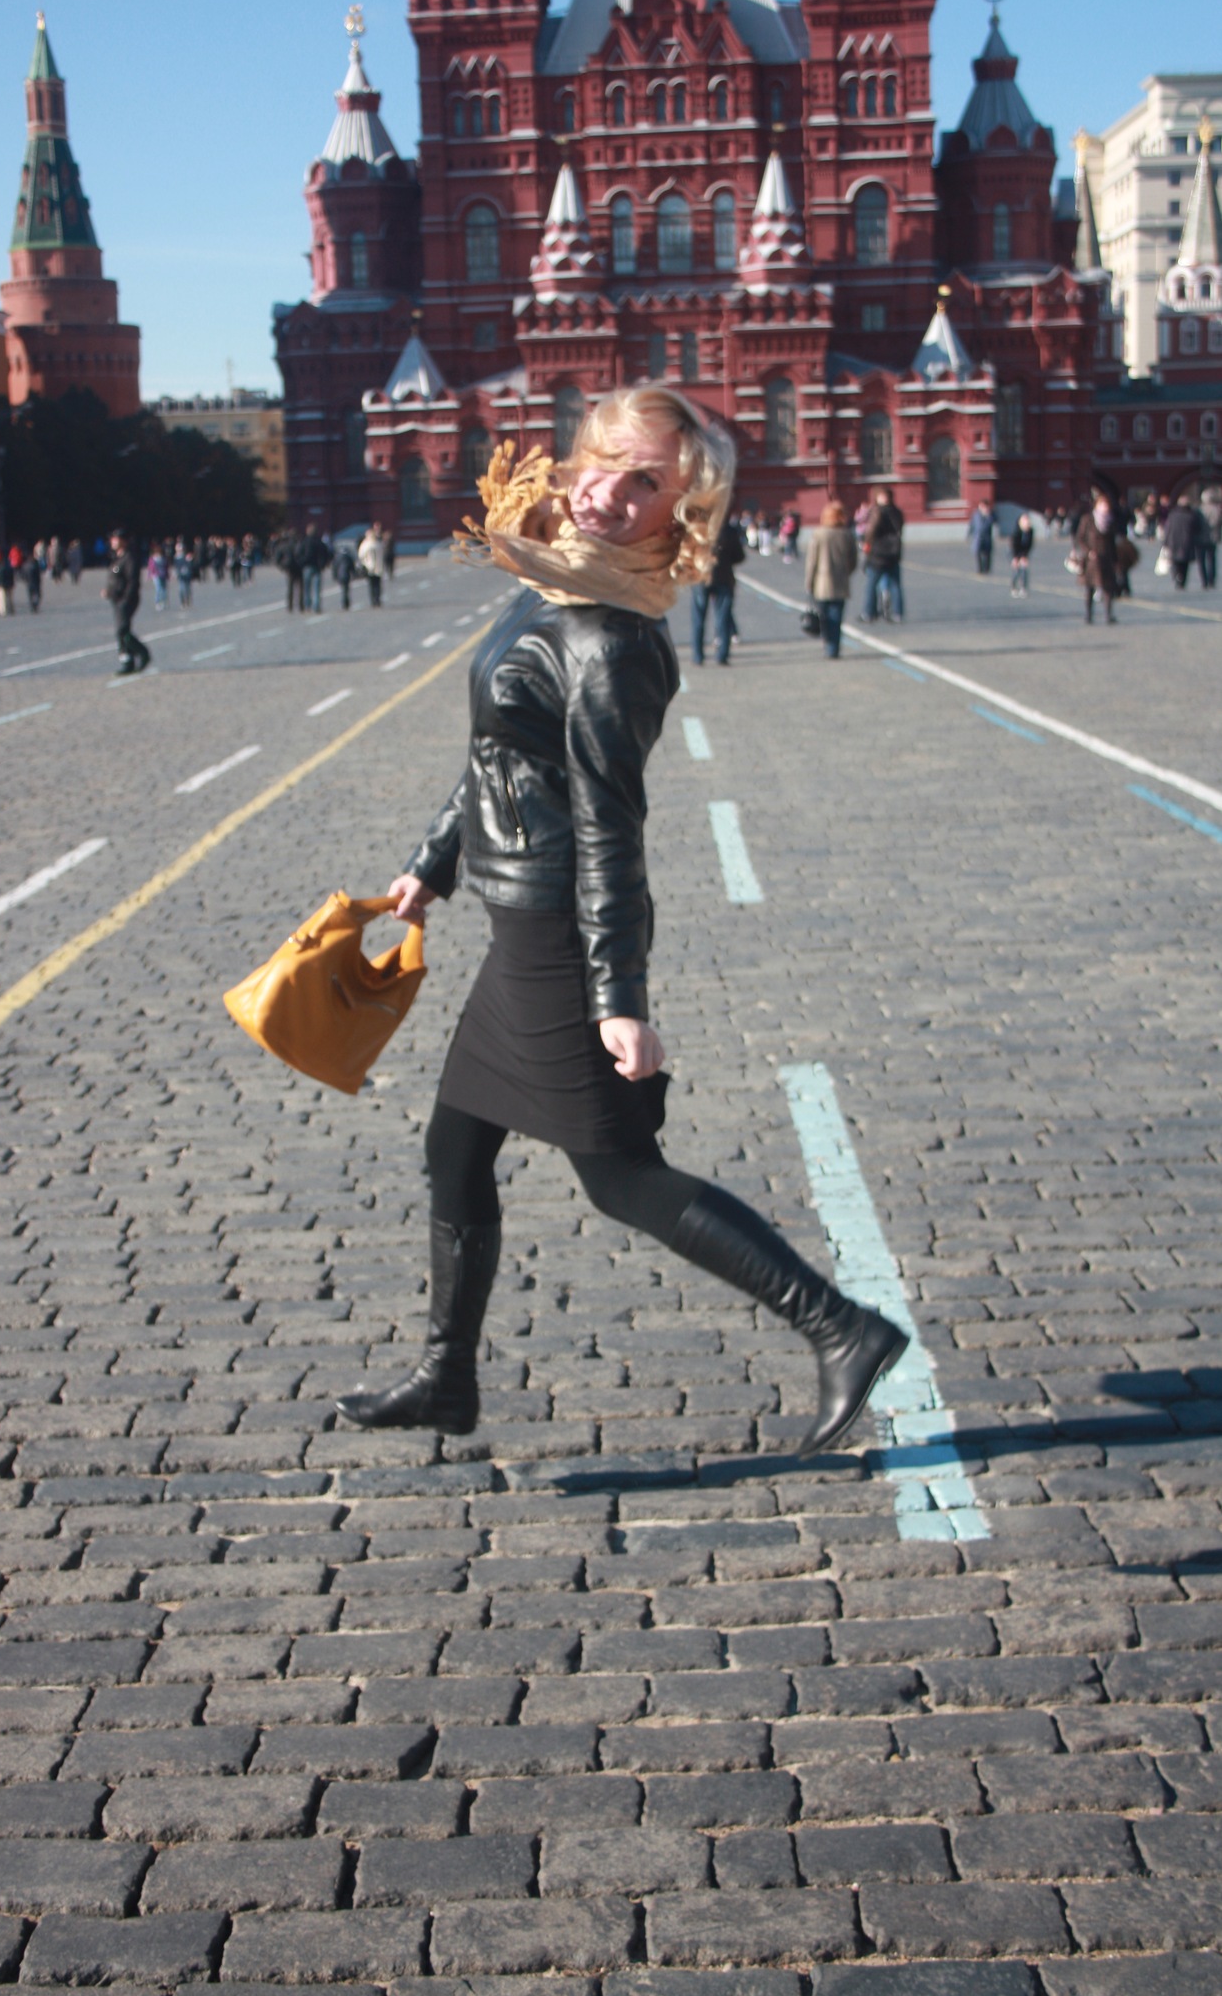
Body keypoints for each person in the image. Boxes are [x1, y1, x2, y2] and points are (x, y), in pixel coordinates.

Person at [330, 384, 908, 1459]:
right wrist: (430, 867)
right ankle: (447, 1375)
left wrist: (620, 998)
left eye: (647, 483)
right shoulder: (550, 583)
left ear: (677, 512)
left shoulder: (613, 640)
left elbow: (609, 825)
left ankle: (841, 1326)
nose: (610, 492)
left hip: (556, 930)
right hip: (514, 918)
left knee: (621, 1176)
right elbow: (497, 754)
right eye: (607, 462)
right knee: (455, 1147)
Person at [804, 500, 859, 658]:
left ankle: (827, 642)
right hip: (840, 581)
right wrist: (846, 572)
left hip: (821, 583)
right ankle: (834, 647)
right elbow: (853, 560)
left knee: (824, 617)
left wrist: (809, 582)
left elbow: (811, 561)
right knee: (837, 616)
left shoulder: (819, 534)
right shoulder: (847, 534)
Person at [689, 513, 746, 664]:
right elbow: (740, 556)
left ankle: (698, 655)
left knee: (698, 618)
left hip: (701, 578)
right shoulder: (728, 530)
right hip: (724, 577)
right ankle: (722, 654)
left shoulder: (697, 529)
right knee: (723, 617)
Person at [104, 529, 150, 675]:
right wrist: (109, 591)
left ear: (124, 541)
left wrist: (126, 598)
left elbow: (132, 581)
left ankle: (142, 652)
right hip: (116, 599)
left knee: (122, 630)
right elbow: (115, 579)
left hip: (126, 600)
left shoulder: (129, 558)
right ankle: (127, 661)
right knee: (122, 632)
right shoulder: (116, 558)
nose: (112, 542)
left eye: (116, 539)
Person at [862, 486, 905, 621]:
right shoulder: (897, 512)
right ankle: (898, 613)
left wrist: (865, 541)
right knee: (895, 585)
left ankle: (869, 612)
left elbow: (871, 531)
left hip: (878, 553)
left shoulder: (877, 512)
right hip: (893, 552)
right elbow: (900, 528)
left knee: (871, 584)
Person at [1075, 497, 1119, 624]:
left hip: (1106, 559)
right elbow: (1080, 538)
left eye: (1106, 505)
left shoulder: (1110, 521)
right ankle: (1088, 615)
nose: (1105, 508)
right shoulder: (1087, 520)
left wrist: (1116, 560)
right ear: (1097, 506)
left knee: (1108, 589)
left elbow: (1112, 542)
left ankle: (1108, 615)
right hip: (1091, 561)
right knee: (1090, 588)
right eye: (1102, 505)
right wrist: (1088, 551)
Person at [1162, 493, 1201, 590]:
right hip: (1187, 542)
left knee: (1175, 561)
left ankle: (1177, 577)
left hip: (1174, 541)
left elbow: (1168, 529)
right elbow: (1197, 529)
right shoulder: (1192, 515)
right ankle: (1182, 581)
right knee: (1185, 563)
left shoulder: (1173, 514)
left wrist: (1165, 542)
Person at [302, 523, 331, 615]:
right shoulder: (320, 543)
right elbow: (326, 554)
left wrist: (302, 562)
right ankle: (316, 606)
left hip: (307, 566)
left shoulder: (305, 542)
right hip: (318, 567)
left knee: (307, 588)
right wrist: (323, 564)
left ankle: (307, 605)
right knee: (317, 588)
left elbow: (299, 552)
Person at [358, 521, 386, 607]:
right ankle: (377, 599)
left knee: (371, 585)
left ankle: (373, 600)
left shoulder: (365, 544)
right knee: (377, 584)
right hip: (378, 566)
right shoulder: (378, 543)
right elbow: (383, 553)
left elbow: (361, 555)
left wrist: (364, 562)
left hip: (369, 566)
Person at [1199, 486, 1221, 591]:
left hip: (1201, 538)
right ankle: (1212, 580)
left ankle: (1204, 581)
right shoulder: (1216, 509)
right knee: (1211, 559)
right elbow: (1217, 522)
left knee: (1202, 560)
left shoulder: (1200, 509)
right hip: (1213, 537)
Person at [1009, 513, 1035, 598]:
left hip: (1023, 552)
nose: (1027, 522)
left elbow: (1030, 545)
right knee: (1016, 570)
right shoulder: (1016, 531)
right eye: (1024, 520)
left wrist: (1025, 556)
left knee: (1024, 569)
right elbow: (1013, 545)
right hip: (1014, 552)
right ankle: (1013, 587)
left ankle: (1023, 588)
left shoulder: (1030, 531)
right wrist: (1015, 558)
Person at [968, 502, 995, 575]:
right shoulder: (976, 514)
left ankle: (986, 569)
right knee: (978, 553)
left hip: (987, 537)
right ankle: (979, 568)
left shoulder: (990, 515)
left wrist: (988, 516)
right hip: (978, 537)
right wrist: (969, 534)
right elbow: (972, 524)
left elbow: (992, 522)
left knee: (987, 553)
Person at [332, 541, 355, 610]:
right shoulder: (348, 557)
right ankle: (346, 602)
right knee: (346, 589)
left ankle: (344, 602)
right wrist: (354, 574)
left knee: (343, 589)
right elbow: (352, 567)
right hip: (346, 575)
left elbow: (335, 567)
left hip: (340, 575)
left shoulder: (337, 557)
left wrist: (335, 576)